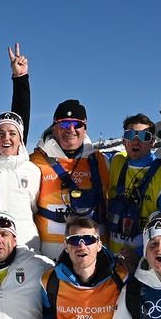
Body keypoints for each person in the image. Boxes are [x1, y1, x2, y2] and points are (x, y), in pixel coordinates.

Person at [29, 99, 109, 258]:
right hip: (50, 254)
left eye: (77, 124)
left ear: (85, 128)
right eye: (65, 123)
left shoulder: (101, 161)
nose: (71, 129)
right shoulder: (36, 161)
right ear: (54, 127)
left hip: (92, 253)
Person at [105, 114, 161, 265]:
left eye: (144, 136)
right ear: (124, 140)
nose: (136, 141)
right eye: (130, 135)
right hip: (111, 258)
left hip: (144, 261)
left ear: (152, 142)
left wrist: (138, 253)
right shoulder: (116, 162)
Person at [0, 112, 40, 251]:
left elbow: (35, 207)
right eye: (0, 134)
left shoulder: (32, 170)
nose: (6, 138)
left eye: (12, 133)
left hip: (26, 243)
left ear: (20, 139)